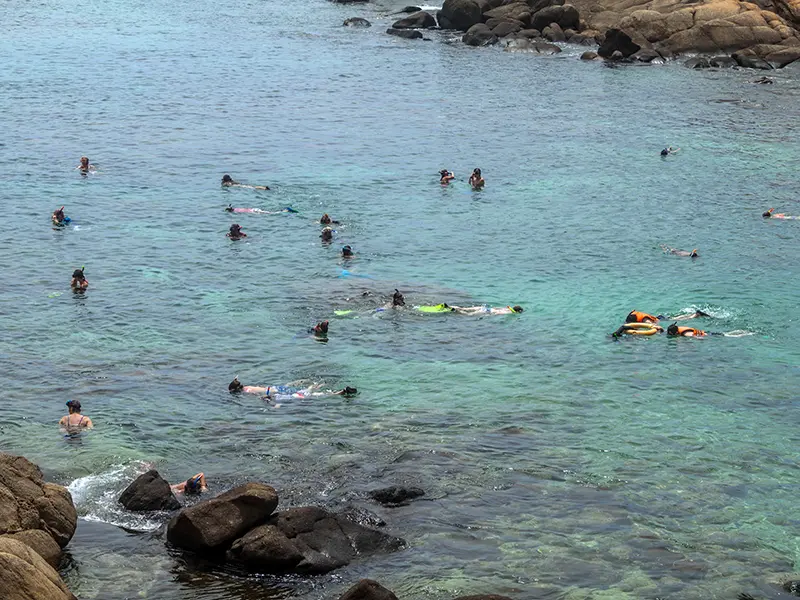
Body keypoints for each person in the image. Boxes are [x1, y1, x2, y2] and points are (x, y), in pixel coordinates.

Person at [228, 378, 357, 400]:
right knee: (302, 391)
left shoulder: (247, 391)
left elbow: (259, 396)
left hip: (275, 392)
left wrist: (268, 402)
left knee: (305, 394)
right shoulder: (248, 386)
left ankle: (340, 392)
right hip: (275, 388)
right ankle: (315, 385)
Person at [452, 305, 524, 315]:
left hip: (484, 308)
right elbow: (497, 313)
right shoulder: (507, 313)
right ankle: (455, 310)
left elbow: (496, 308)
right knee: (468, 314)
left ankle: (453, 307)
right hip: (487, 311)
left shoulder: (506, 309)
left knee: (465, 309)